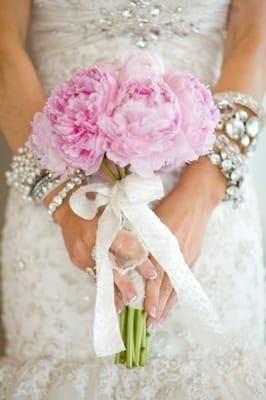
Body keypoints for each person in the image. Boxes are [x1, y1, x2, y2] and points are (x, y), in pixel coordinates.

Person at [0, 1, 265, 399]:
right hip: (58, 207)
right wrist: (63, 200)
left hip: (208, 212)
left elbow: (254, 33)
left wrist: (202, 192)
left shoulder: (204, 197)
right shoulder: (61, 204)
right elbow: (4, 42)